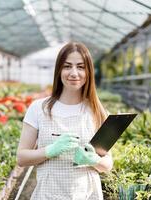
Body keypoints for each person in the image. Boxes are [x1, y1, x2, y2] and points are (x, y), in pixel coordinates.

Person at [16, 42, 113, 200]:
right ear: (59, 70)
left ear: (88, 72)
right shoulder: (39, 109)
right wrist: (49, 151)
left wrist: (94, 160)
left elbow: (108, 164)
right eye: (67, 66)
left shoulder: (98, 111)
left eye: (81, 67)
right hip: (48, 194)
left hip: (87, 194)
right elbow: (21, 158)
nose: (74, 73)